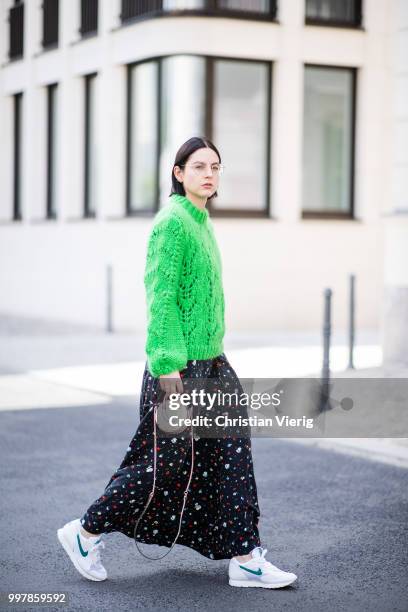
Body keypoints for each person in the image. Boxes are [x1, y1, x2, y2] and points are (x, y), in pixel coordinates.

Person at [57, 136, 297, 589]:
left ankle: (246, 557)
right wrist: (170, 378)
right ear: (178, 172)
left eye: (216, 167)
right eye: (199, 166)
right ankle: (84, 532)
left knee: (232, 458)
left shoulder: (201, 219)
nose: (209, 174)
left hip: (213, 366)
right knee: (160, 466)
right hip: (179, 372)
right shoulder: (172, 223)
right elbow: (161, 302)